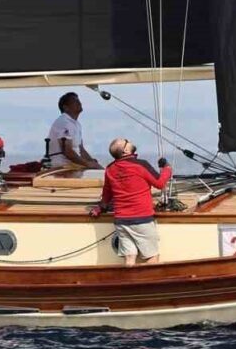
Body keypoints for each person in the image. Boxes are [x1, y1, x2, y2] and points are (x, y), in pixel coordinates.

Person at [100, 137, 171, 266]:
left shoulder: (110, 169)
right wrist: (167, 169)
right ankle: (147, 279)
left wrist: (100, 207)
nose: (130, 141)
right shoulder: (140, 165)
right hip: (142, 218)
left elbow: (106, 194)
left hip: (121, 220)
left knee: (129, 258)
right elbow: (160, 183)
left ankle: (129, 278)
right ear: (125, 151)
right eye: (127, 141)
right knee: (152, 257)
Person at [45, 91, 101, 170]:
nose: (79, 103)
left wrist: (92, 162)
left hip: (72, 164)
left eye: (79, 100)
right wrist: (87, 164)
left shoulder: (76, 124)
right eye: (75, 101)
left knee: (100, 170)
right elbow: (67, 151)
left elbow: (81, 150)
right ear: (66, 107)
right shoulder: (63, 122)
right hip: (62, 166)